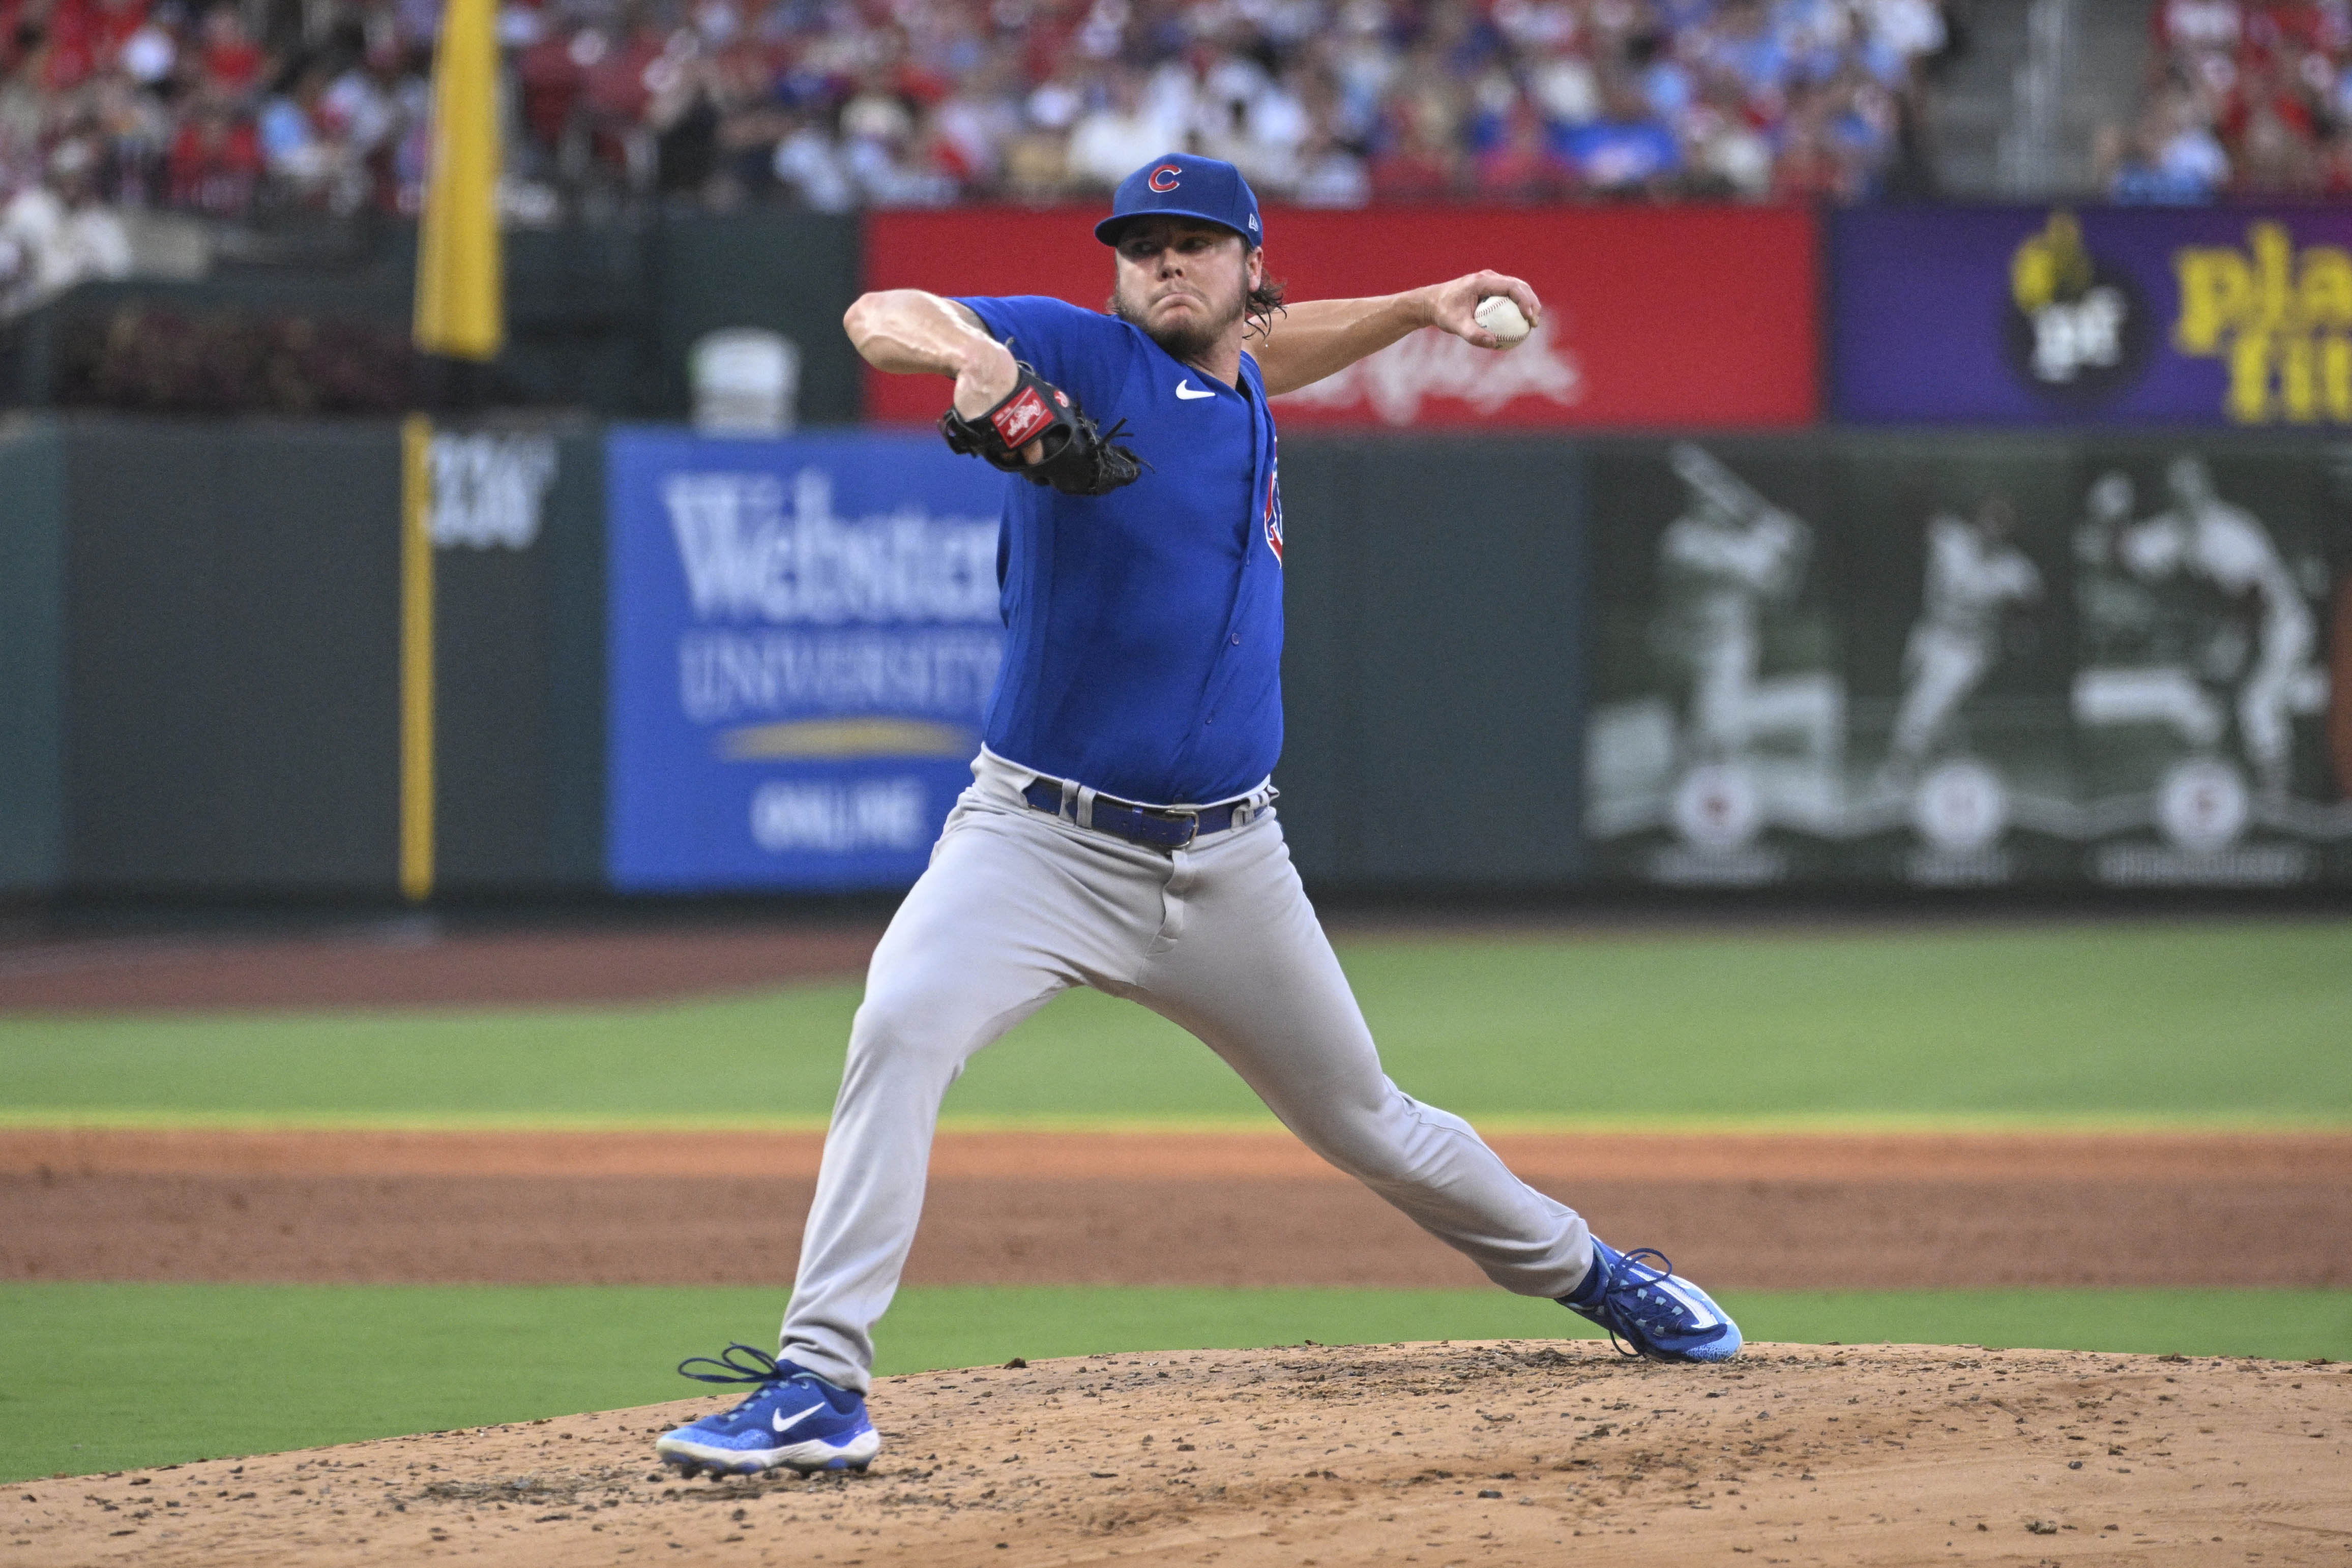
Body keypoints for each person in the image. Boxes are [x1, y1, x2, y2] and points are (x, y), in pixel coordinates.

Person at [652, 152, 1744, 1482]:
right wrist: (982, 372)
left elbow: (1273, 350)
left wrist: (1416, 307)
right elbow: (887, 309)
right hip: (1036, 844)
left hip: (1232, 862)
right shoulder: (1089, 358)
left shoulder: (1239, 384)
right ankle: (821, 1382)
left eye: (1195, 244)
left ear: (1248, 267)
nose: (1165, 262)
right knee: (899, 1023)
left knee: (1373, 1121)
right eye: (1143, 243)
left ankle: (1598, 1274)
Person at [1883, 495, 2043, 785]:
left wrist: (2023, 631)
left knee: (1927, 703)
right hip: (1931, 631)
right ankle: (1958, 760)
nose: (1993, 529)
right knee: (1927, 701)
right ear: (1977, 519)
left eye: (2001, 525)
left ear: (2010, 531)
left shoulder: (2016, 569)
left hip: (1971, 647)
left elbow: (2034, 607)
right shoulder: (1948, 537)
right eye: (1989, 520)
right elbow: (1908, 510)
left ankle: (1900, 770)